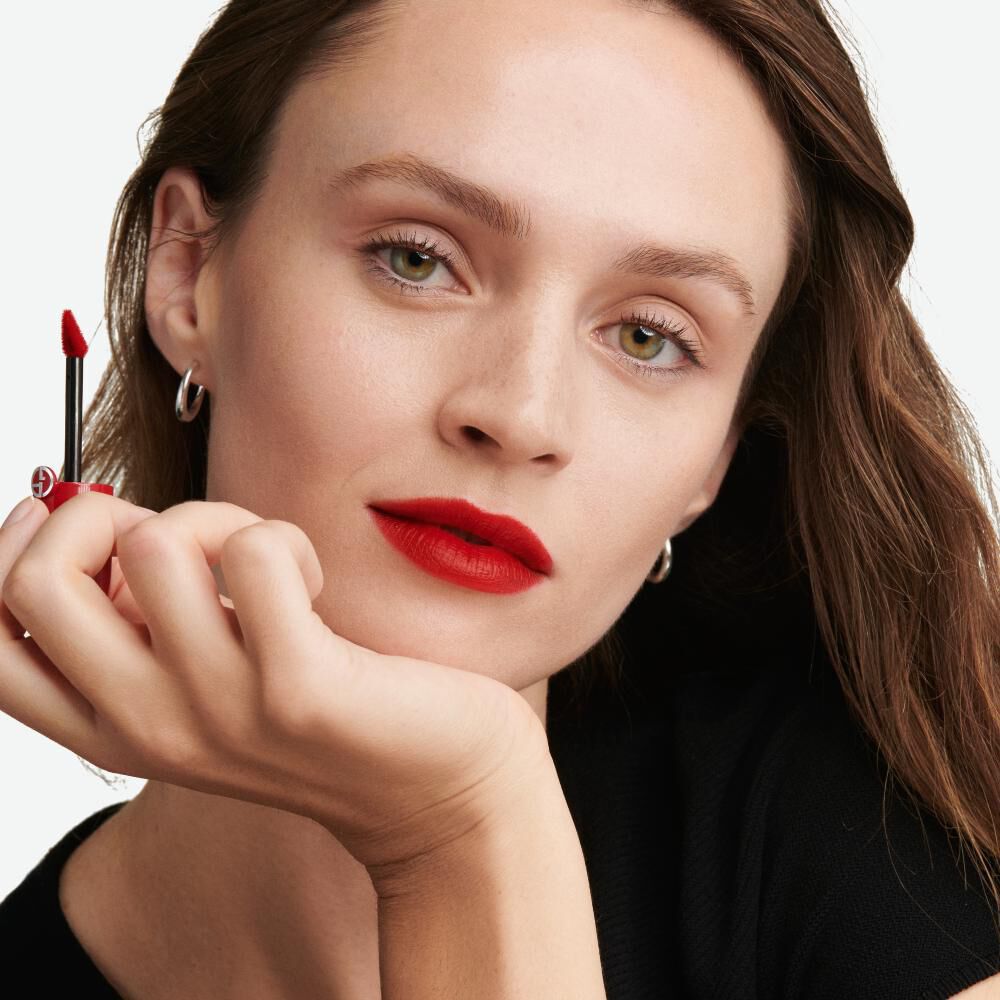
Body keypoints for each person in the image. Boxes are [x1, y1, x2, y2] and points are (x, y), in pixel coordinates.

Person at [1, 0, 998, 996]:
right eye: (417, 258)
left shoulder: (888, 853)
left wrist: (459, 826)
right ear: (187, 272)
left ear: (715, 461)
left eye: (648, 335)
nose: (520, 414)